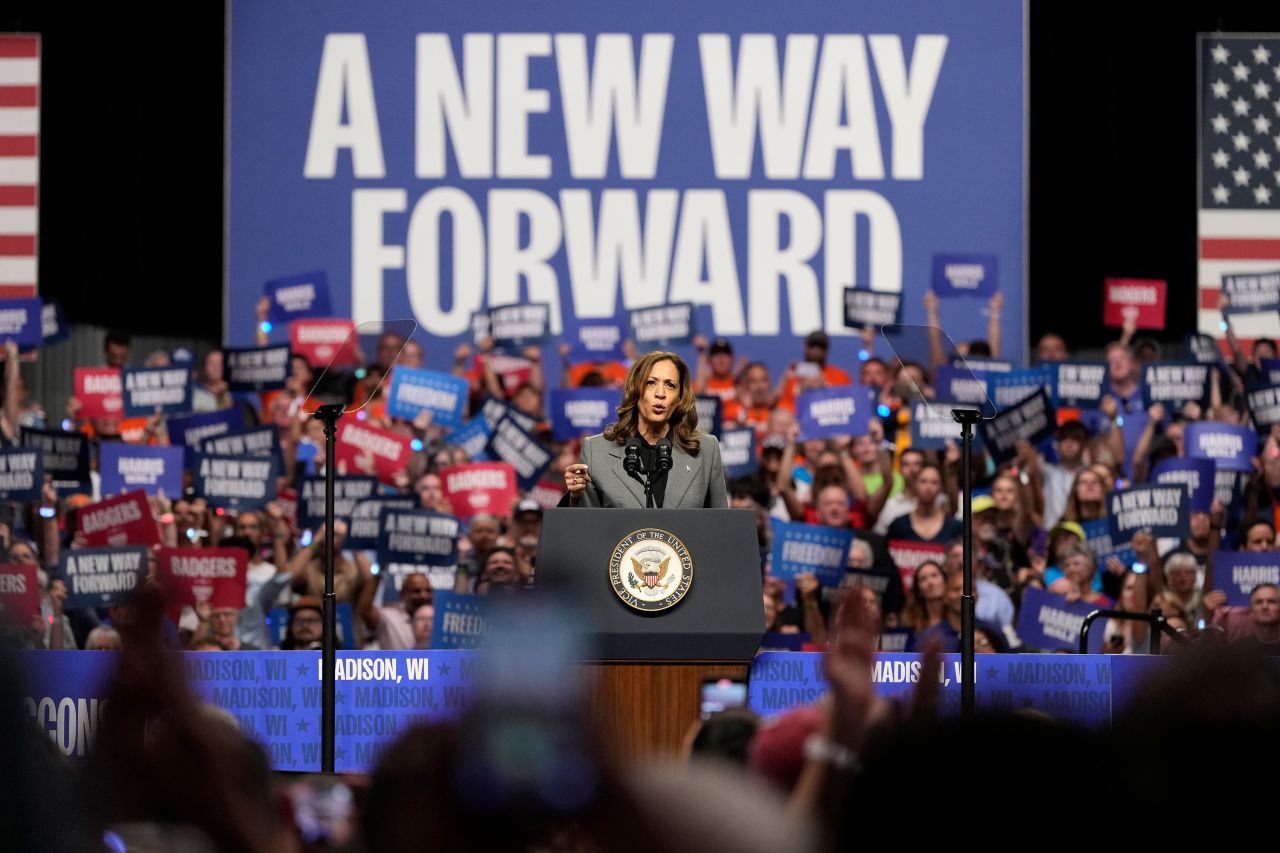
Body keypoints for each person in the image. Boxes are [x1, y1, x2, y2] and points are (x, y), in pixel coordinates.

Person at [565, 351, 728, 509]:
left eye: (670, 385)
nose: (661, 393)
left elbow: (720, 526)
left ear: (680, 398)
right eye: (651, 383)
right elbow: (587, 529)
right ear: (635, 389)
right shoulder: (596, 450)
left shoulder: (706, 449)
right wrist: (576, 497)